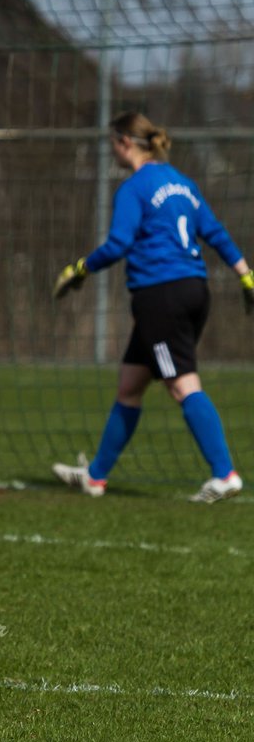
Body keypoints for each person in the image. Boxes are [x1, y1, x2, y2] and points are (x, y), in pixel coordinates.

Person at [52, 112, 251, 503]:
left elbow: (118, 244)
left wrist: (79, 269)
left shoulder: (133, 188)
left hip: (161, 297)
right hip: (195, 290)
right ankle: (95, 477)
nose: (112, 150)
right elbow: (215, 232)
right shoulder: (184, 184)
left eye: (113, 143)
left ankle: (225, 473)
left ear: (125, 142)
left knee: (181, 384)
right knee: (130, 386)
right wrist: (245, 273)